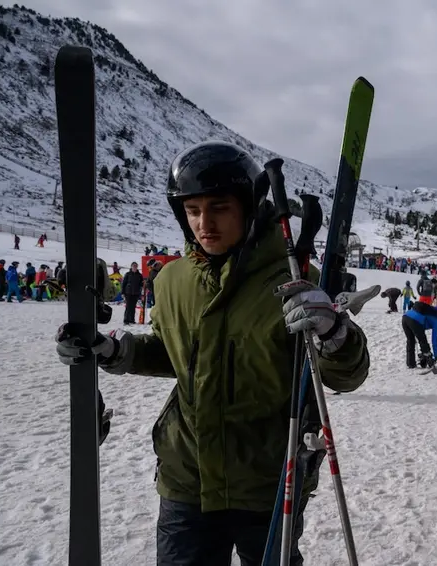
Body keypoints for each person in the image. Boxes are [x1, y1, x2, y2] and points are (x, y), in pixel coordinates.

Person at [54, 141, 370, 565]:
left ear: (249, 206)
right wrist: (114, 350)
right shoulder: (170, 281)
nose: (205, 223)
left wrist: (333, 328)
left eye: (219, 207)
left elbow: (346, 376)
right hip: (187, 479)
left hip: (267, 482)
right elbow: (178, 356)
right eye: (193, 210)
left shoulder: (297, 280)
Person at [402, 301, 437, 368]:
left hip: (405, 317)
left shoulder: (433, 315)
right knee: (423, 341)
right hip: (414, 319)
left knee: (410, 341)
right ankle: (431, 363)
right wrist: (436, 355)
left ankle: (410, 363)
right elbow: (434, 340)